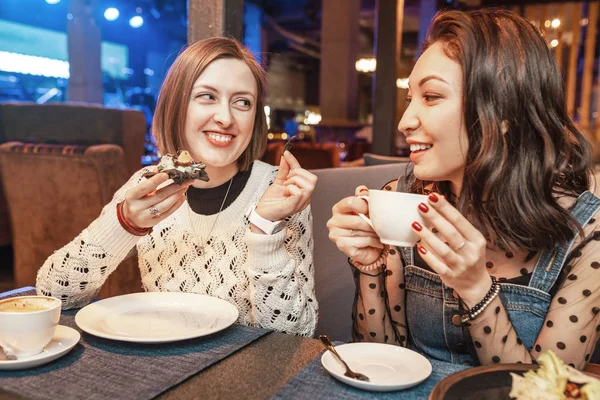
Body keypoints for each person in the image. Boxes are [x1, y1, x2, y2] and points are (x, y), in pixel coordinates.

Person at [327, 9, 600, 368]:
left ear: (503, 112)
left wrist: (476, 289)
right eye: (411, 98)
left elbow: (547, 392)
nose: (405, 122)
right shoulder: (405, 200)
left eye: (432, 97)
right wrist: (369, 268)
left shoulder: (585, 233)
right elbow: (380, 363)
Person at [36, 37, 318, 337]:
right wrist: (124, 223)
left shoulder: (279, 192)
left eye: (242, 102)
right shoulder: (148, 185)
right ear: (177, 105)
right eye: (207, 96)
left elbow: (298, 337)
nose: (225, 118)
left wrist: (264, 230)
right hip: (159, 366)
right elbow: (55, 296)